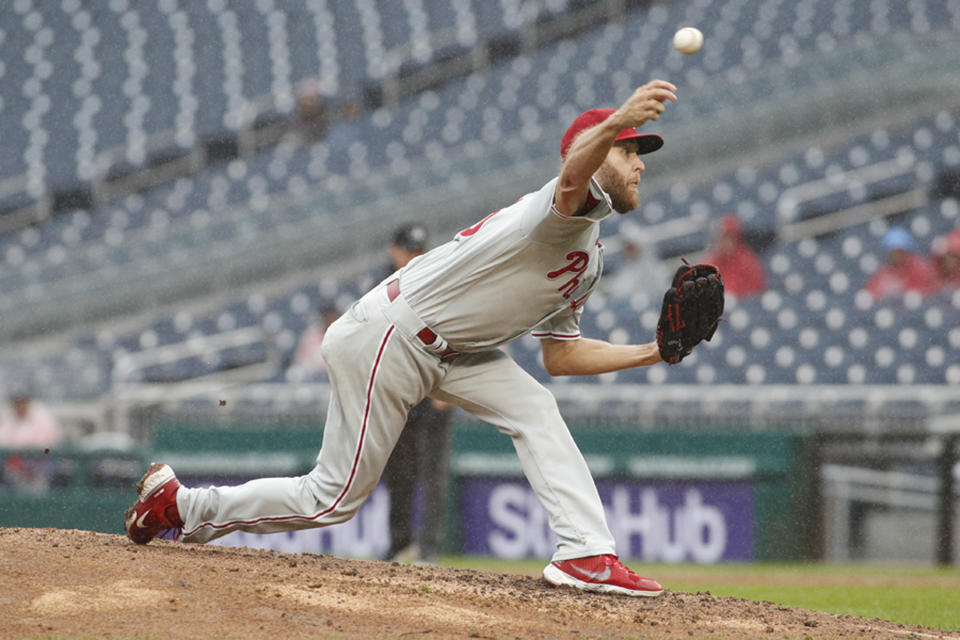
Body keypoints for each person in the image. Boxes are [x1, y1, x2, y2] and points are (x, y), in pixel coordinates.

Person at [125, 80, 682, 597]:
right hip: (390, 336)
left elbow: (560, 356)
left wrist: (652, 351)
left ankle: (586, 553)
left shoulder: (588, 260)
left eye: (638, 154)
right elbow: (570, 179)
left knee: (534, 404)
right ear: (592, 151)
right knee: (334, 499)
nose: (637, 165)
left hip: (455, 352)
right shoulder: (556, 210)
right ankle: (182, 507)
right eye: (627, 150)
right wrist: (615, 122)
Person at [379, 224, 455, 564]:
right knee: (398, 474)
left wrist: (449, 385)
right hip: (399, 396)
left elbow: (459, 331)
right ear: (394, 251)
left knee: (433, 475)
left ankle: (429, 549)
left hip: (432, 392)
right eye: (409, 250)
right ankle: (399, 544)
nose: (415, 257)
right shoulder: (379, 288)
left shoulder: (439, 281)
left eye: (419, 250)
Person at [863, 227, 938, 300]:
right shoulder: (882, 275)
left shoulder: (921, 268)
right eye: (893, 252)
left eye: (900, 251)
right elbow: (872, 295)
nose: (896, 256)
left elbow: (932, 292)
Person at [702, 214, 766, 298]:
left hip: (741, 305)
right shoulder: (712, 260)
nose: (723, 242)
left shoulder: (746, 260)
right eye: (721, 238)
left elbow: (756, 289)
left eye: (727, 238)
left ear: (735, 238)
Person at [288, 301, 341, 381]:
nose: (331, 321)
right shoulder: (311, 336)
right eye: (328, 318)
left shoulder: (343, 337)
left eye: (334, 318)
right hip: (313, 380)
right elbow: (301, 363)